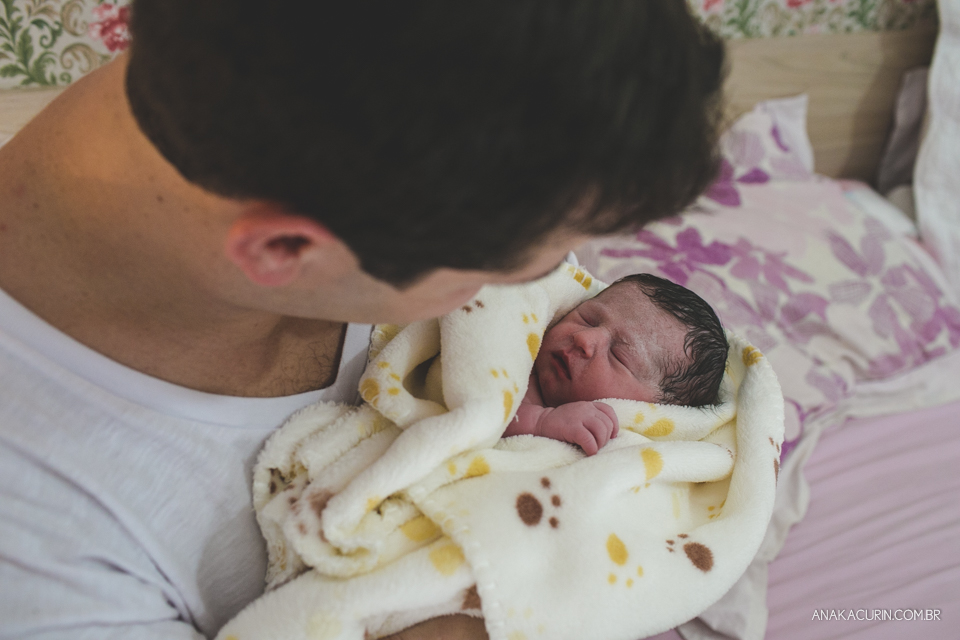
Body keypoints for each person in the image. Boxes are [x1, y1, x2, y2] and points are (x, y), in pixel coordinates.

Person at [0, 2, 724, 639]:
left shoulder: (279, 74)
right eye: (495, 275)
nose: (553, 291)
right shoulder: (47, 563)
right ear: (286, 249)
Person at [504, 273, 728, 455]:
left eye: (618, 355)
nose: (584, 338)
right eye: (587, 319)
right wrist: (540, 422)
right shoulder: (519, 345)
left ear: (654, 409)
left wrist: (542, 422)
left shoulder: (618, 448)